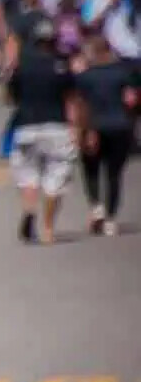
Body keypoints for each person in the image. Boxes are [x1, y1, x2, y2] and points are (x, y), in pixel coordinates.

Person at [7, 19, 77, 244]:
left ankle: (30, 210)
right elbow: (71, 99)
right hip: (57, 125)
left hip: (26, 126)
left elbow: (10, 97)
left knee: (28, 174)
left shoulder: (22, 67)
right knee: (55, 178)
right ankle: (47, 228)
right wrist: (76, 128)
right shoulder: (61, 66)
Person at [73, 34, 136, 236]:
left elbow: (80, 106)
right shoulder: (123, 74)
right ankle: (110, 219)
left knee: (90, 169)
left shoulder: (84, 77)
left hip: (94, 127)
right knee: (114, 174)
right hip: (120, 126)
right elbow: (131, 100)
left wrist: (81, 130)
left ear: (92, 53)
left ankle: (96, 206)